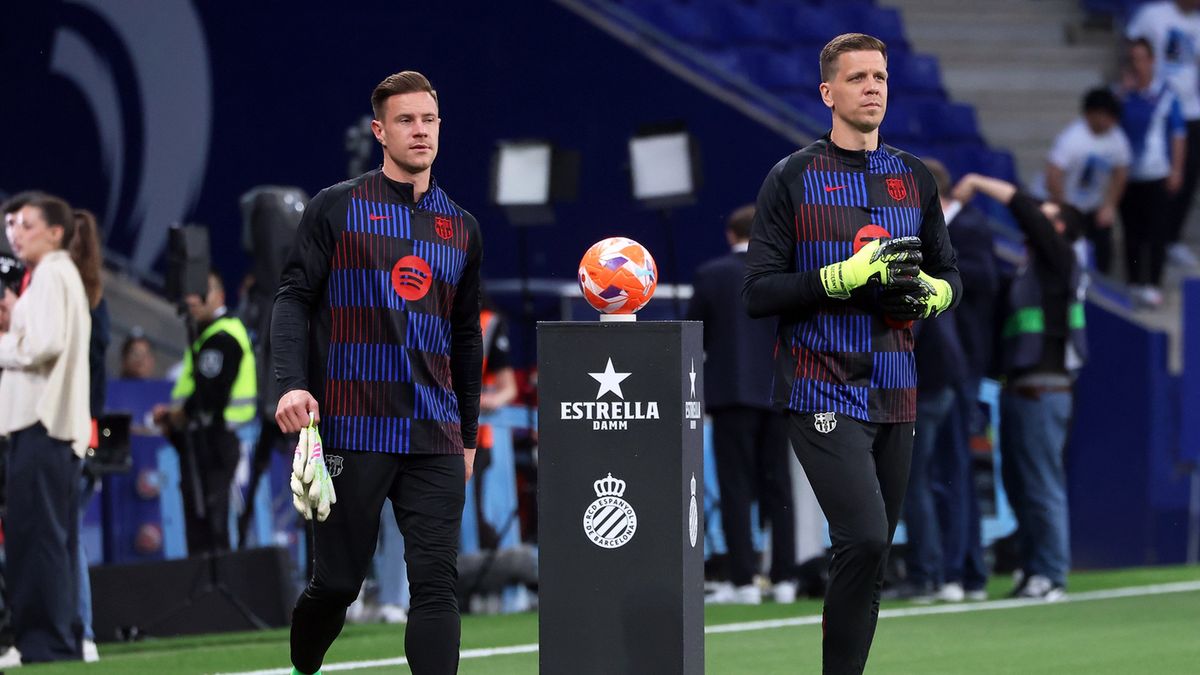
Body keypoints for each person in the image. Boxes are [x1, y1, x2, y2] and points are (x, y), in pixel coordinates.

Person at [742, 33, 961, 674]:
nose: (873, 88)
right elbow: (757, 293)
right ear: (827, 93)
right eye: (859, 77)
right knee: (862, 536)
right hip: (819, 384)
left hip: (896, 386)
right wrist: (841, 276)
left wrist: (930, 295)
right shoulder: (791, 178)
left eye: (881, 77)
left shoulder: (913, 177)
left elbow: (951, 274)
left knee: (873, 553)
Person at [271, 70, 482, 675]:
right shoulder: (336, 207)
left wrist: (467, 436)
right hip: (351, 428)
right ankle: (303, 669)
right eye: (406, 121)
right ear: (380, 131)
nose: (420, 132)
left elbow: (466, 338)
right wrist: (291, 384)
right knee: (338, 585)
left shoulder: (461, 228)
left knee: (437, 587)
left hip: (434, 433)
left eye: (429, 120)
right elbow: (292, 299)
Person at [950, 172, 1088, 602]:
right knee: (1018, 484)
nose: (1037, 220)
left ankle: (1052, 574)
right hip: (1019, 388)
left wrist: (976, 181)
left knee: (1041, 485)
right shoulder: (1031, 272)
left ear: (1059, 228)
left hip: (1043, 389)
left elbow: (1025, 210)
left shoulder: (1060, 258)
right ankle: (1033, 569)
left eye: (1048, 217)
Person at [687, 203, 798, 605]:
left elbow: (692, 337)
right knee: (778, 486)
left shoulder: (712, 275)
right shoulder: (785, 273)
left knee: (736, 488)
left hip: (731, 394)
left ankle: (745, 581)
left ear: (730, 235)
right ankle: (785, 579)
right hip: (778, 391)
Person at [0, 193, 93, 663]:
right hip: (44, 430)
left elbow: (42, 346)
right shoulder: (49, 278)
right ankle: (58, 639)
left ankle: (47, 643)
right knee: (44, 540)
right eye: (11, 224)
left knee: (38, 542)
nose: (16, 233)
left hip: (44, 427)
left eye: (26, 225)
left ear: (55, 232)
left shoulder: (54, 273)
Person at [925, 159, 996, 603]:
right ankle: (969, 570)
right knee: (952, 470)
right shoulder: (953, 227)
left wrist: (935, 273)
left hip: (959, 365)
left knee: (951, 468)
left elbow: (985, 282)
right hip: (947, 364)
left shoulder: (967, 227)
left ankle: (958, 571)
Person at [152, 271, 257, 556]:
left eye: (202, 293)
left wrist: (178, 415)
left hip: (215, 443)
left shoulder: (221, 337)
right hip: (204, 441)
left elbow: (208, 396)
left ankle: (218, 589)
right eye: (190, 293)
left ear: (220, 297)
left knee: (212, 528)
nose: (193, 300)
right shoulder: (207, 334)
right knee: (202, 527)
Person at [1126, 0, 1200, 268]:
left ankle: (1172, 238)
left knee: (1188, 175)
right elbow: (1132, 46)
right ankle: (1148, 241)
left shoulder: (1197, 22)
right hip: (1155, 102)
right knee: (1154, 173)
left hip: (1191, 108)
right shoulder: (1153, 14)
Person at [1117, 37, 1188, 307]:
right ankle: (1134, 281)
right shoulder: (1122, 95)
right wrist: (1122, 93)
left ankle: (1153, 283)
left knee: (1156, 232)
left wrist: (1177, 169)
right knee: (1132, 233)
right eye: (1132, 58)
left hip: (1157, 173)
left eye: (1141, 58)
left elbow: (1178, 135)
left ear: (1151, 61)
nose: (1137, 64)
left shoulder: (1166, 96)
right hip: (1128, 175)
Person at [1044, 88, 1131, 275]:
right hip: (1069, 205)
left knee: (1102, 251)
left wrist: (1110, 205)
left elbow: (1121, 172)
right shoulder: (1072, 139)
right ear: (1091, 114)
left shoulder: (1117, 138)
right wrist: (1063, 207)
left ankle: (1101, 284)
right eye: (1105, 116)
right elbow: (1053, 174)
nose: (1110, 122)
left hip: (1094, 207)